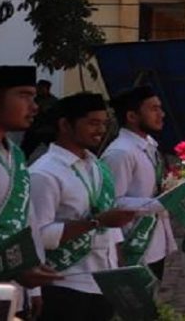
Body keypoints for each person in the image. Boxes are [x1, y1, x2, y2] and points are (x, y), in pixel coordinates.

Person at [29, 93, 137, 321]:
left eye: (104, 123)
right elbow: (38, 236)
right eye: (93, 123)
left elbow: (110, 221)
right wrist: (96, 222)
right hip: (65, 284)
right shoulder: (44, 173)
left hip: (104, 282)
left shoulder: (96, 165)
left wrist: (121, 270)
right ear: (65, 125)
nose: (101, 130)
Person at [0, 66, 60, 318]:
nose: (35, 107)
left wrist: (34, 288)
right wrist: (15, 271)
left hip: (15, 295)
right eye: (24, 96)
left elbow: (27, 221)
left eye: (34, 97)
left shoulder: (15, 155)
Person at [102, 87, 176, 281]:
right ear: (132, 116)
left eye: (160, 108)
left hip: (155, 241)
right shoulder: (120, 153)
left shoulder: (150, 144)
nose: (161, 114)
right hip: (134, 244)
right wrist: (158, 203)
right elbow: (111, 203)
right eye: (153, 109)